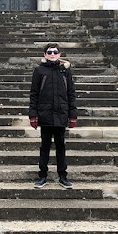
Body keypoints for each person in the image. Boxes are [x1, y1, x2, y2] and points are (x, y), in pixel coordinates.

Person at [28, 42, 78, 189]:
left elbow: (71, 94)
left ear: (59, 54)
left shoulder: (65, 71)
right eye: (49, 52)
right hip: (45, 115)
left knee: (61, 145)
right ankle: (42, 175)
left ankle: (63, 176)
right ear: (45, 55)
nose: (52, 54)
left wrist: (72, 115)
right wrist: (33, 115)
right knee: (45, 146)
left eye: (55, 52)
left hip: (61, 114)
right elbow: (34, 94)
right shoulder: (39, 71)